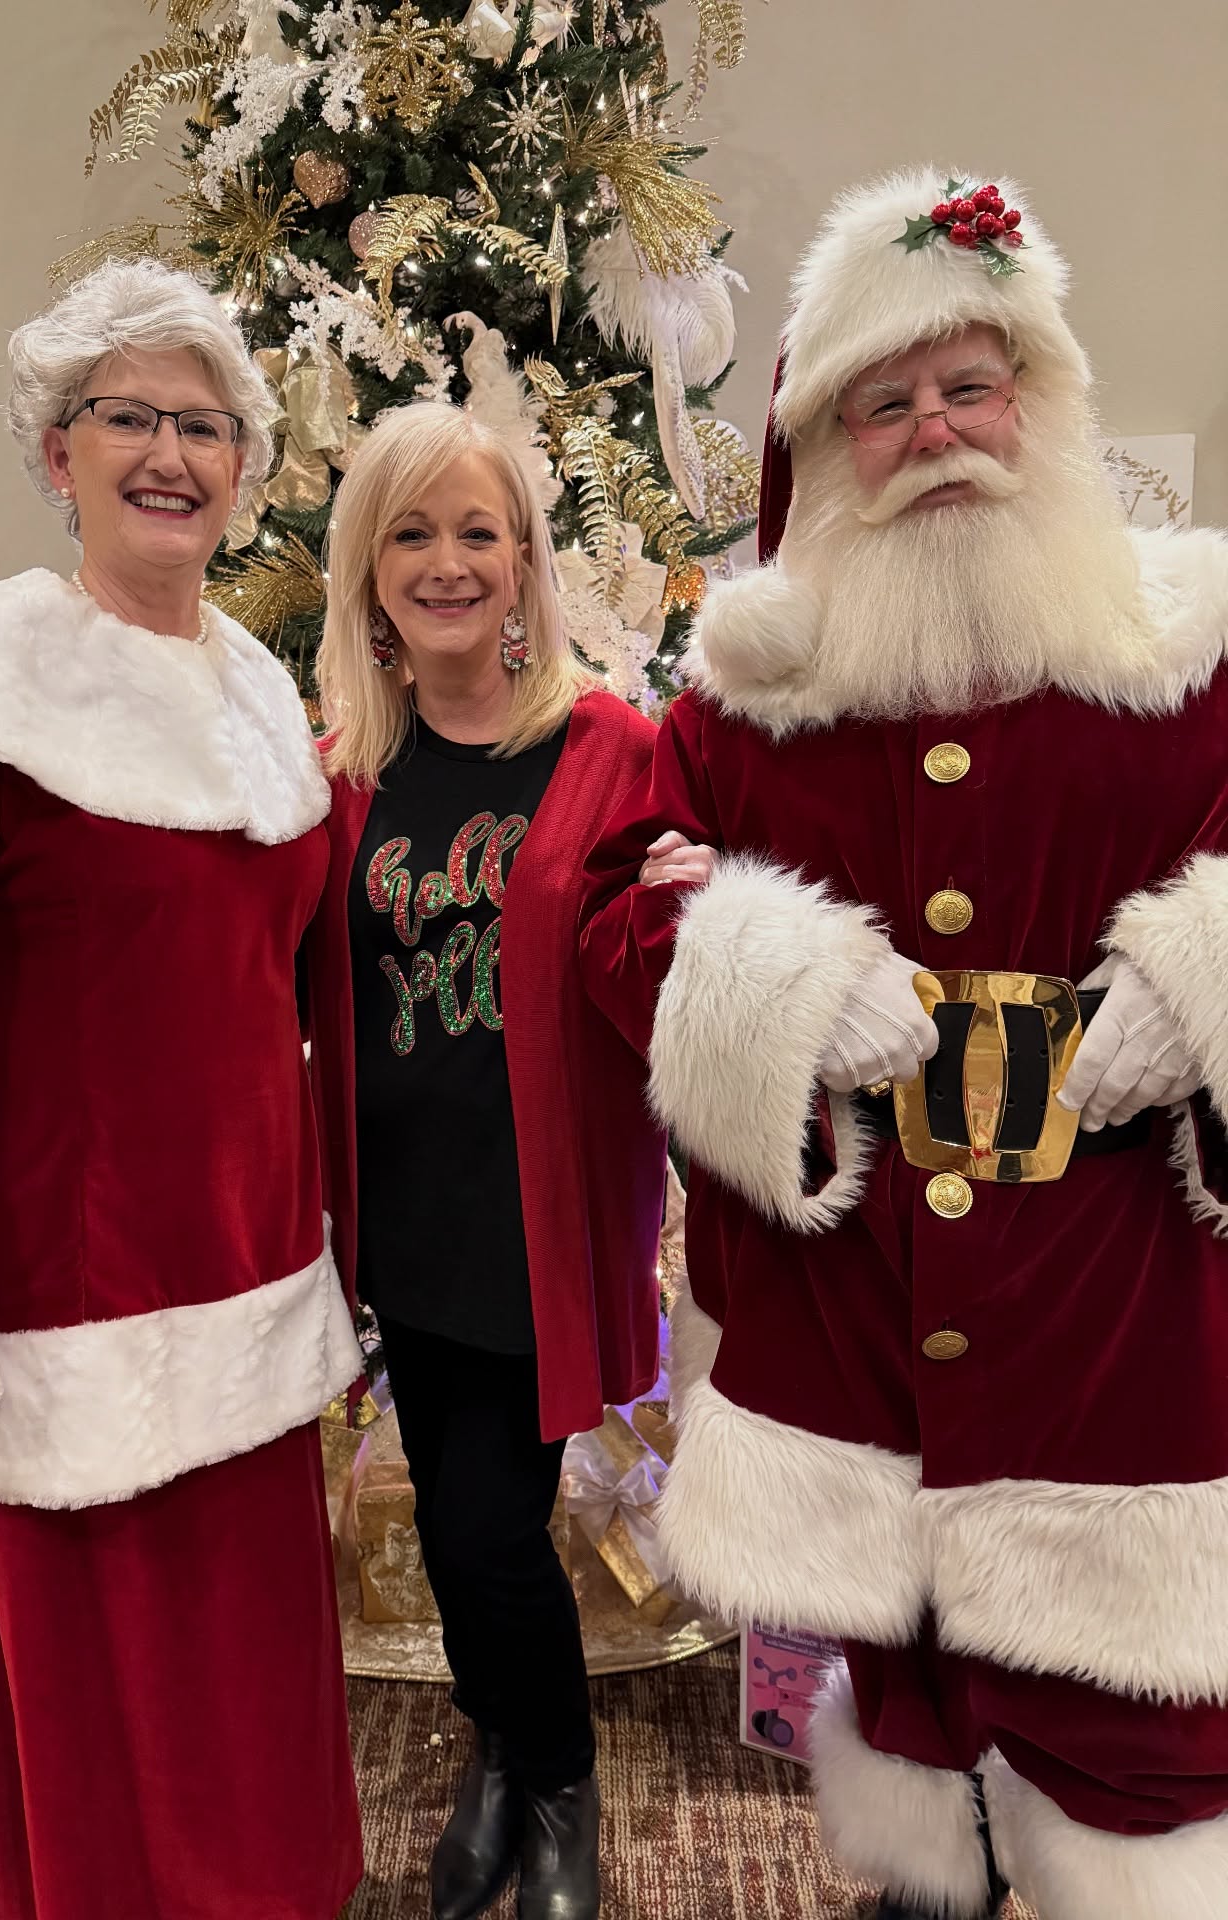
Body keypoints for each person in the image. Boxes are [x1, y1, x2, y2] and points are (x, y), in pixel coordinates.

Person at [581, 166, 1228, 1920]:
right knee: (917, 1683)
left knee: (1150, 1733)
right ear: (829, 447)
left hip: (1117, 1292)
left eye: (968, 383)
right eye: (886, 401)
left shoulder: (1189, 642)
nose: (934, 429)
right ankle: (939, 1878)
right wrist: (764, 972)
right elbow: (617, 913)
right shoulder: (739, 699)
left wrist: (1203, 977)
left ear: (1039, 396)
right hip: (867, 1286)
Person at [0, 260, 364, 1920]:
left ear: (245, 470)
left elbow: (298, 992)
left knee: (254, 1693)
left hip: (255, 1281)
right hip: (66, 1312)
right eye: (129, 417)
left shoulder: (268, 701)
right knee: (103, 1729)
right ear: (57, 452)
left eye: (205, 427)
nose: (170, 456)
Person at [306, 401, 665, 1920]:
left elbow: (664, 985)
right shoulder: (341, 774)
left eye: (478, 531)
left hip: (537, 1217)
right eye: (412, 533)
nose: (447, 562)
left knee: (482, 1524)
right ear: (367, 569)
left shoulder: (609, 751)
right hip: (404, 1219)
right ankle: (502, 1753)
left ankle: (559, 1781)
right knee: (464, 1536)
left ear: (524, 558)